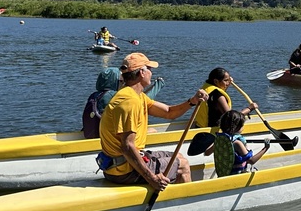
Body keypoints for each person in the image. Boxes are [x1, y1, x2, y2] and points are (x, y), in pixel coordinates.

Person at [98, 52, 209, 191]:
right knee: (183, 164)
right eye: (149, 69)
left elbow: (169, 112)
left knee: (179, 156)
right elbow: (127, 146)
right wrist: (151, 178)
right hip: (123, 171)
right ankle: (187, 203)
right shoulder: (129, 101)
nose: (151, 73)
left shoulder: (138, 96)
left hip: (122, 165)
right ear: (142, 73)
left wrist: (192, 101)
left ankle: (171, 197)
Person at [82, 66, 165, 138]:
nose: (124, 83)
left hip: (91, 133)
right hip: (106, 137)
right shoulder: (115, 96)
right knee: (152, 130)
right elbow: (141, 101)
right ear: (114, 81)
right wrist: (158, 85)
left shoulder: (94, 95)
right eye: (121, 81)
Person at [196, 67, 257, 132]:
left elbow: (220, 90)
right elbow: (231, 117)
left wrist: (227, 82)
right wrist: (249, 108)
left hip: (199, 127)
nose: (228, 83)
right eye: (225, 80)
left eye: (229, 80)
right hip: (211, 133)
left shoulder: (206, 88)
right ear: (216, 81)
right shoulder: (218, 96)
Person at [211, 111, 270, 175]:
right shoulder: (237, 143)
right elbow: (251, 160)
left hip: (224, 174)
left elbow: (207, 152)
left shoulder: (220, 139)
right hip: (236, 175)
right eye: (242, 125)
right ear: (237, 127)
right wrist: (266, 148)